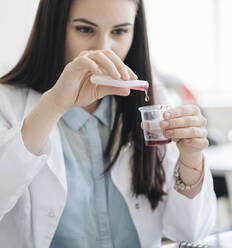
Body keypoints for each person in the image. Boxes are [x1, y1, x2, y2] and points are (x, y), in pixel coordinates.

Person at [0, 0, 216, 247]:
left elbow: (190, 232)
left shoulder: (151, 100)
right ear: (53, 27)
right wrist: (52, 106)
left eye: (120, 31)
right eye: (85, 29)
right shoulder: (7, 100)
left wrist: (190, 158)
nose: (104, 48)